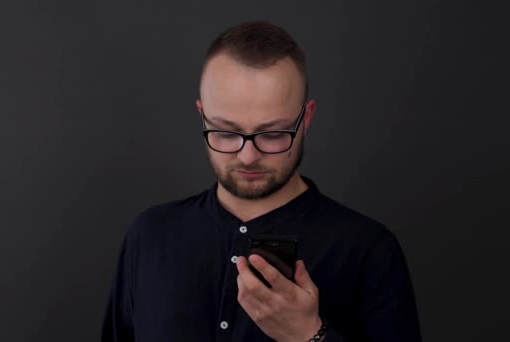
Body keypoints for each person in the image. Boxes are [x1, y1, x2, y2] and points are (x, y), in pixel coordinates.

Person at [103, 20, 421, 342]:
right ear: (202, 116)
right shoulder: (150, 236)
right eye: (226, 133)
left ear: (306, 119)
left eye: (272, 134)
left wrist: (309, 336)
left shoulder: (368, 250)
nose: (248, 156)